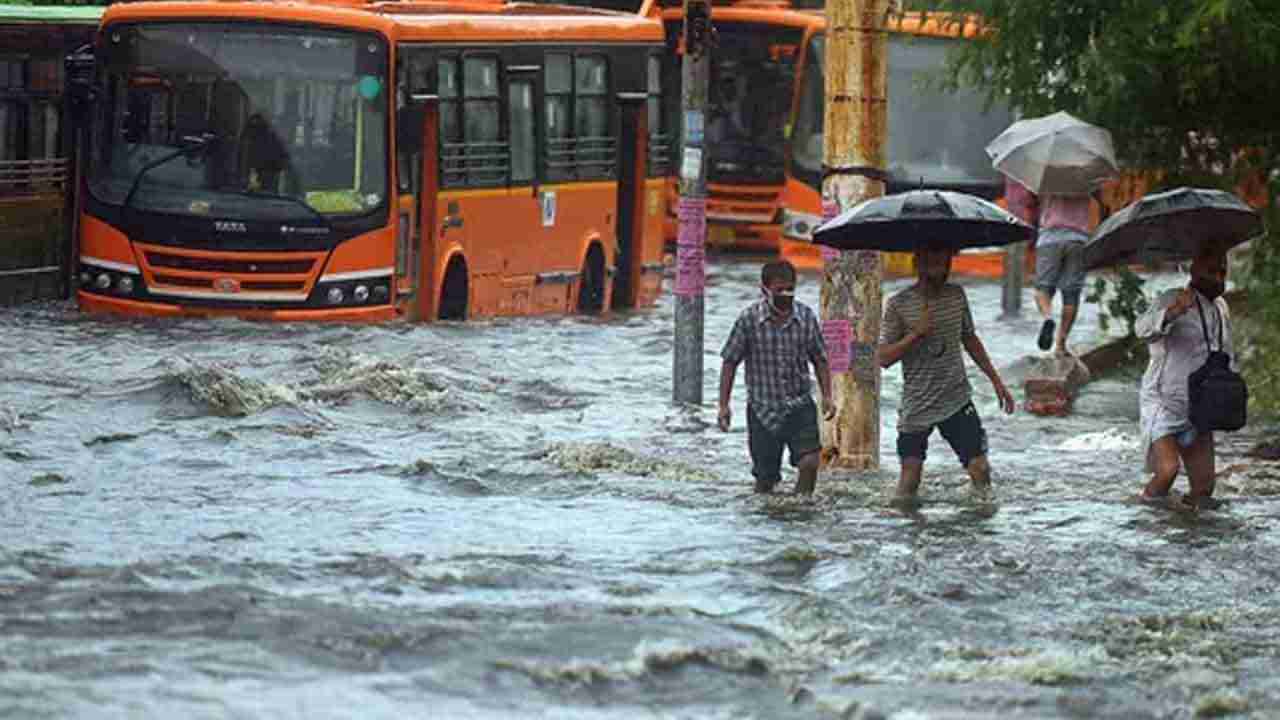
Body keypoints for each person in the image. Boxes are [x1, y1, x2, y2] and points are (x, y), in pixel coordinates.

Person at [878, 244, 1017, 504]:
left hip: (956, 398)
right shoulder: (899, 304)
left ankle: (981, 527)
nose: (941, 269)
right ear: (918, 263)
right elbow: (883, 358)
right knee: (910, 481)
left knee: (981, 471)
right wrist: (916, 334)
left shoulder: (957, 296)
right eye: (933, 262)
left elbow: (969, 338)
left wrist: (996, 381)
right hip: (917, 404)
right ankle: (909, 534)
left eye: (945, 263)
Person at [718, 260, 834, 495]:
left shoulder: (806, 317)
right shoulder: (749, 320)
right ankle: (769, 517)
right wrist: (723, 405)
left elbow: (820, 359)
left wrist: (827, 396)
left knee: (810, 462)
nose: (785, 295)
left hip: (800, 405)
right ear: (764, 290)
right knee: (765, 479)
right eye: (778, 290)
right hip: (763, 409)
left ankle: (801, 509)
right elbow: (730, 361)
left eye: (789, 289)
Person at [1135, 244, 1235, 510]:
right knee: (1168, 471)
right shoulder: (1172, 298)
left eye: (1223, 271)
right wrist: (1173, 312)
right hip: (1163, 401)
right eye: (1212, 271)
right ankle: (1145, 520)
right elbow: (1142, 330)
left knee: (1203, 490)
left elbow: (1226, 352)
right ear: (1195, 269)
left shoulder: (1221, 308)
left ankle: (1189, 537)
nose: (1219, 278)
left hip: (1200, 406)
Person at [1006, 177, 1092, 356]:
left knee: (1042, 289)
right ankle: (1061, 345)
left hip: (1050, 238)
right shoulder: (1087, 174)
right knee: (1071, 294)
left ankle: (1048, 317)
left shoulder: (1046, 175)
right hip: (1078, 239)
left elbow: (1029, 202)